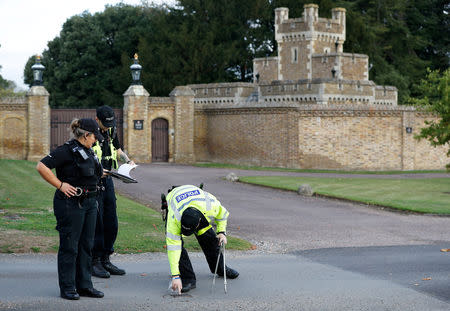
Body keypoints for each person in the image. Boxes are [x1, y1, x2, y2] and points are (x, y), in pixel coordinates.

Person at [36, 118, 105, 300]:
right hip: (70, 203)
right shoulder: (66, 150)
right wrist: (60, 185)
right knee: (70, 246)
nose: (96, 140)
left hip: (90, 202)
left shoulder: (89, 151)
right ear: (86, 135)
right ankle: (67, 287)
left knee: (86, 246)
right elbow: (41, 166)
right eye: (94, 137)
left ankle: (84, 285)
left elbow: (90, 172)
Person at [162, 184, 239, 294]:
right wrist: (175, 276)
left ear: (199, 222)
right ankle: (187, 278)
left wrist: (221, 232)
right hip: (175, 199)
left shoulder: (211, 206)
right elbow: (173, 248)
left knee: (211, 240)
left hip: (199, 208)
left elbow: (222, 215)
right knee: (178, 247)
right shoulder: (174, 218)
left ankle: (220, 269)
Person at [91, 105, 134, 278]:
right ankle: (94, 261)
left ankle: (106, 259)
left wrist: (128, 161)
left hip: (109, 179)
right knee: (97, 223)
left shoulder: (111, 131)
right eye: (105, 123)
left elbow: (117, 150)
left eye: (110, 123)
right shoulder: (90, 133)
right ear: (97, 119)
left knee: (111, 222)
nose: (108, 126)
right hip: (93, 182)